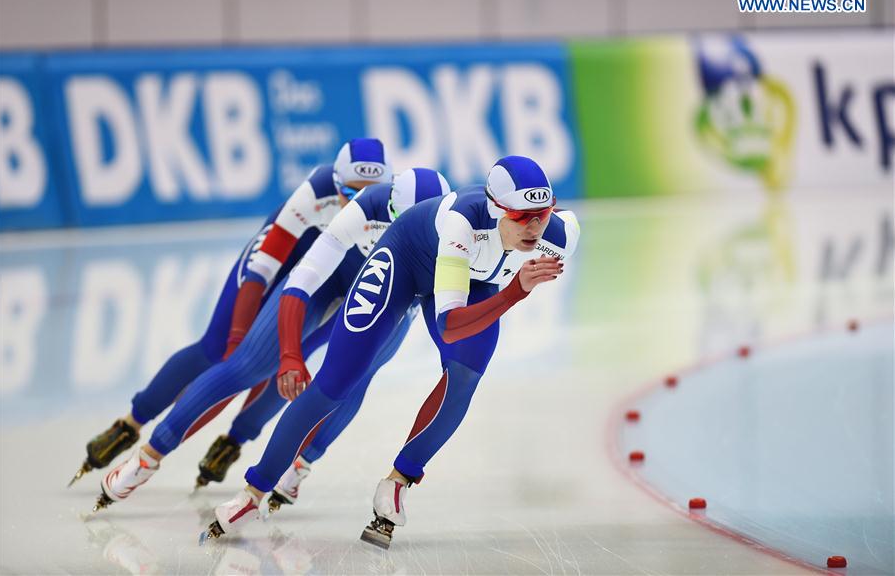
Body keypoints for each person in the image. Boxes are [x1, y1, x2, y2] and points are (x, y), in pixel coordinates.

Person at [202, 156, 579, 550]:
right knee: (335, 384)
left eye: (542, 213)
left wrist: (509, 288)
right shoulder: (461, 223)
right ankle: (253, 493)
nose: (534, 227)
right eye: (521, 216)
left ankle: (398, 482)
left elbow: (463, 326)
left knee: (466, 375)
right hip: (406, 261)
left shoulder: (561, 238)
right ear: (496, 208)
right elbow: (451, 325)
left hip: (471, 277)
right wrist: (514, 291)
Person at [93, 168, 452, 512]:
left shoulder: (453, 230)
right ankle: (147, 458)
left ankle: (299, 464)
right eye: (398, 222)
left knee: (354, 378)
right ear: (387, 206)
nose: (405, 232)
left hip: (394, 292)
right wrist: (289, 353)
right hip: (334, 275)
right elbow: (303, 278)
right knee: (250, 363)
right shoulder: (363, 205)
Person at [68, 138, 392, 487]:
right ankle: (131, 422)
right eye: (350, 192)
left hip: (337, 271)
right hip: (288, 255)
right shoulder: (316, 192)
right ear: (335, 182)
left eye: (370, 196)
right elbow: (262, 268)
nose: (359, 205)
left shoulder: (392, 208)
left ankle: (236, 439)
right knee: (219, 350)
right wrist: (237, 338)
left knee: (291, 358)